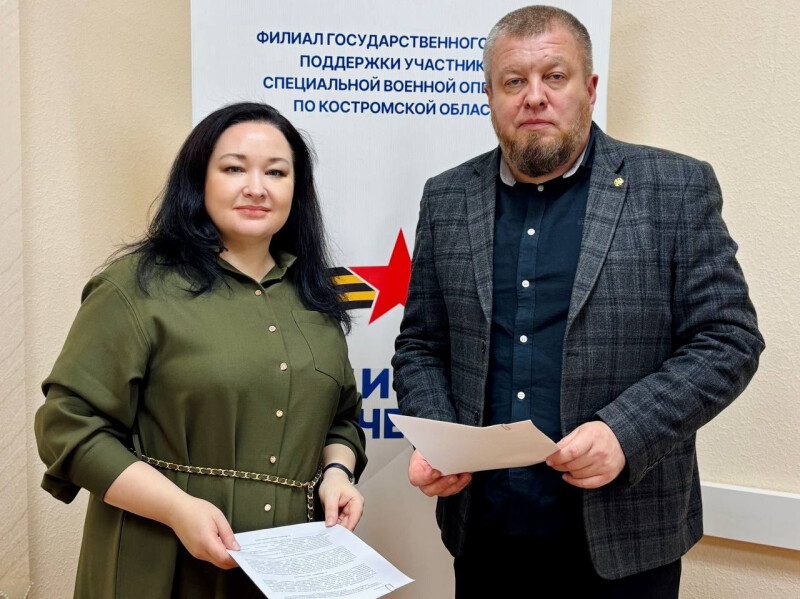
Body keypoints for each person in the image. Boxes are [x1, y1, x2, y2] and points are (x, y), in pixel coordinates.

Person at [392, 6, 763, 598]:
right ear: (490, 96)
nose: (534, 96)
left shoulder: (673, 187)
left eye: (555, 77)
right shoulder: (447, 197)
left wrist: (624, 432)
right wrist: (438, 438)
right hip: (486, 537)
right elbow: (421, 344)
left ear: (589, 89)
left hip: (625, 544)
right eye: (514, 81)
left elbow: (729, 339)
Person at [35, 102, 367, 598]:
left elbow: (341, 419)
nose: (256, 187)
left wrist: (338, 474)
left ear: (296, 190)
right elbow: (68, 427)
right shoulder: (135, 287)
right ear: (199, 180)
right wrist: (176, 508)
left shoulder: (315, 298)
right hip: (156, 562)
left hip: (286, 570)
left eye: (276, 172)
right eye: (234, 169)